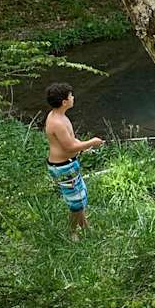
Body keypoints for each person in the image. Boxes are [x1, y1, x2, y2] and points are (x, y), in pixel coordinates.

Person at [43, 83, 103, 236]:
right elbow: (69, 147)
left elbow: (70, 140)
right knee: (76, 203)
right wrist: (91, 142)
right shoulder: (57, 123)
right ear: (64, 102)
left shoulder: (59, 115)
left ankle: (85, 227)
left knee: (79, 197)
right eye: (71, 96)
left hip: (68, 164)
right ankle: (72, 232)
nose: (73, 98)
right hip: (63, 167)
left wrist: (81, 146)